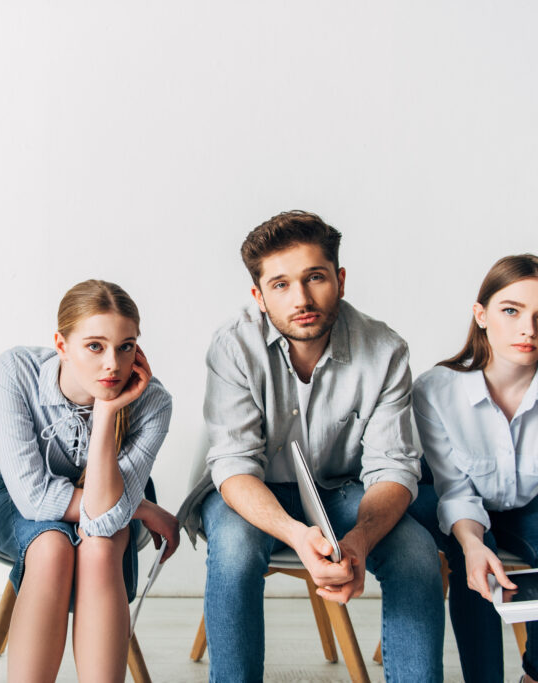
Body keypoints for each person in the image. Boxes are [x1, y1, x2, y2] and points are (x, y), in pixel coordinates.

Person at [178, 211, 444, 682]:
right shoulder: (233, 346)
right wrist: (297, 534)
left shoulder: (385, 350)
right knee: (236, 550)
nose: (300, 298)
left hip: (343, 491)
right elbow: (234, 465)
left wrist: (359, 540)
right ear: (258, 297)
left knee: (417, 555)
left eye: (315, 278)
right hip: (253, 492)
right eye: (280, 284)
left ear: (339, 280)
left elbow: (393, 469)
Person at [413, 254, 538, 683]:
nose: (528, 329)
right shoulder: (436, 391)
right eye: (512, 311)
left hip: (530, 504)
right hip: (453, 501)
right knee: (475, 557)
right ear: (481, 314)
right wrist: (471, 543)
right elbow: (455, 492)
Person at [0, 279, 178, 682]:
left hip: (113, 500)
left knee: (98, 549)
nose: (113, 363)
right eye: (95, 346)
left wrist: (107, 412)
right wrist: (140, 507)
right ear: (62, 344)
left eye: (126, 346)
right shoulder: (16, 371)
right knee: (52, 547)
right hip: (21, 503)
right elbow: (34, 499)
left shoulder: (153, 401)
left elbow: (102, 521)